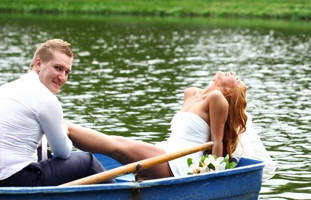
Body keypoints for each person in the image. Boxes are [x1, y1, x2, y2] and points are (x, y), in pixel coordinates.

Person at [67, 72, 275, 180]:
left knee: (116, 145)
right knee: (117, 142)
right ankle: (62, 133)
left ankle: (63, 128)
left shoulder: (217, 98)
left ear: (229, 92)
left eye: (236, 80)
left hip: (178, 163)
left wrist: (212, 175)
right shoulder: (191, 94)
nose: (233, 74)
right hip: (166, 151)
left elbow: (217, 142)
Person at [0, 39, 107, 187]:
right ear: (38, 64)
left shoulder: (3, 90)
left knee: (42, 152)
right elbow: (63, 153)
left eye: (67, 72)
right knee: (87, 161)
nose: (63, 78)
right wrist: (63, 130)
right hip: (14, 180)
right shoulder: (46, 99)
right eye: (58, 68)